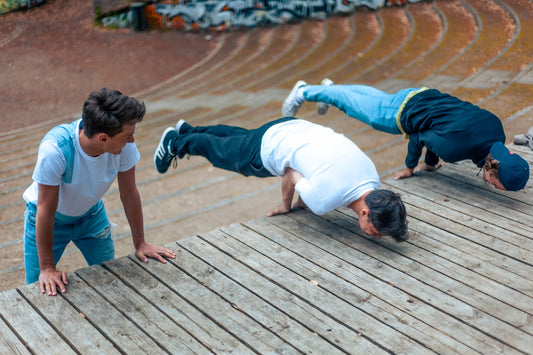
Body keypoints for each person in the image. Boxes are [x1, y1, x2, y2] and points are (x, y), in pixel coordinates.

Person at [23, 88, 176, 296]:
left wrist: (140, 243)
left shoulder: (124, 145)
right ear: (103, 138)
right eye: (127, 136)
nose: (132, 140)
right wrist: (47, 268)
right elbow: (45, 210)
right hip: (48, 219)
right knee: (37, 289)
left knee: (109, 275)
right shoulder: (56, 150)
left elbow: (129, 193)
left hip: (91, 216)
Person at [154, 117, 409, 242]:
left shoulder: (372, 177)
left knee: (239, 138)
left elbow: (318, 176)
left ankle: (188, 130)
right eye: (378, 231)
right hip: (272, 148)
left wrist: (305, 198)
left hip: (296, 127)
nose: (378, 236)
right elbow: (290, 172)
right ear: (365, 212)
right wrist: (287, 205)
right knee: (223, 153)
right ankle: (176, 143)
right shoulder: (323, 201)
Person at [282, 79, 530, 191]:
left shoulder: (496, 129)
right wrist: (413, 166)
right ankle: (305, 91)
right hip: (401, 113)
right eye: (500, 185)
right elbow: (419, 137)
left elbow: (444, 132)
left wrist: (432, 161)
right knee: (353, 106)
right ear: (493, 169)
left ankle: (329, 89)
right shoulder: (456, 150)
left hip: (421, 95)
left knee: (371, 97)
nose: (497, 188)